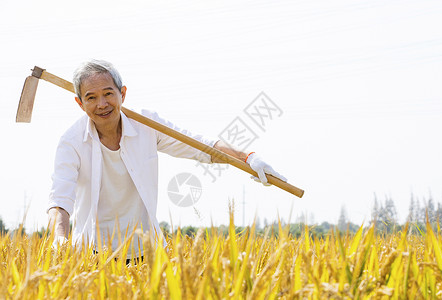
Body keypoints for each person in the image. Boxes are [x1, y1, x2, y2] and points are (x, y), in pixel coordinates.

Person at [47, 59, 287, 259]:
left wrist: (248, 158)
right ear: (80, 103)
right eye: (91, 97)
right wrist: (59, 239)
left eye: (108, 93)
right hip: (92, 253)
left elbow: (198, 145)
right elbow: (60, 200)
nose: (102, 104)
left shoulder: (146, 125)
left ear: (123, 94)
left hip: (146, 252)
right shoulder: (71, 142)